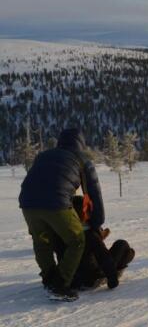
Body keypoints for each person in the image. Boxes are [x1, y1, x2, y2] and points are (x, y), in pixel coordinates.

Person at [19, 128, 104, 302]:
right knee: (77, 240)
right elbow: (93, 193)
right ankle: (60, 284)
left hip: (27, 203)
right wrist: (97, 222)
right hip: (57, 203)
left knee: (42, 241)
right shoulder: (83, 159)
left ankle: (49, 279)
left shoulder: (43, 155)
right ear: (81, 143)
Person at [54, 195, 135, 290]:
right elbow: (104, 257)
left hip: (73, 279)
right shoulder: (89, 234)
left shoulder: (61, 232)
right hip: (92, 278)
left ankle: (114, 267)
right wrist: (112, 279)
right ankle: (116, 269)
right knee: (123, 245)